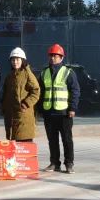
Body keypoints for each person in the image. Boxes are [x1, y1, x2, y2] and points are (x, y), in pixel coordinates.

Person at [40, 43, 80, 174]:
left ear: (61, 58)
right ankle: (54, 163)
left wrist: (72, 108)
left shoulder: (68, 72)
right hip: (49, 112)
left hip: (64, 113)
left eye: (56, 56)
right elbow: (41, 92)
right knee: (52, 140)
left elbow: (75, 91)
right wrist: (41, 110)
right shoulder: (44, 73)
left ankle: (69, 164)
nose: (53, 58)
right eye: (51, 55)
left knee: (67, 140)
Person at [1, 47, 40, 143]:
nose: (15, 62)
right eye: (13, 60)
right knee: (14, 146)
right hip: (11, 117)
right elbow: (5, 94)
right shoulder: (9, 76)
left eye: (17, 59)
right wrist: (4, 108)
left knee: (25, 146)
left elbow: (36, 91)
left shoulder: (27, 74)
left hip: (24, 116)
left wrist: (25, 104)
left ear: (22, 60)